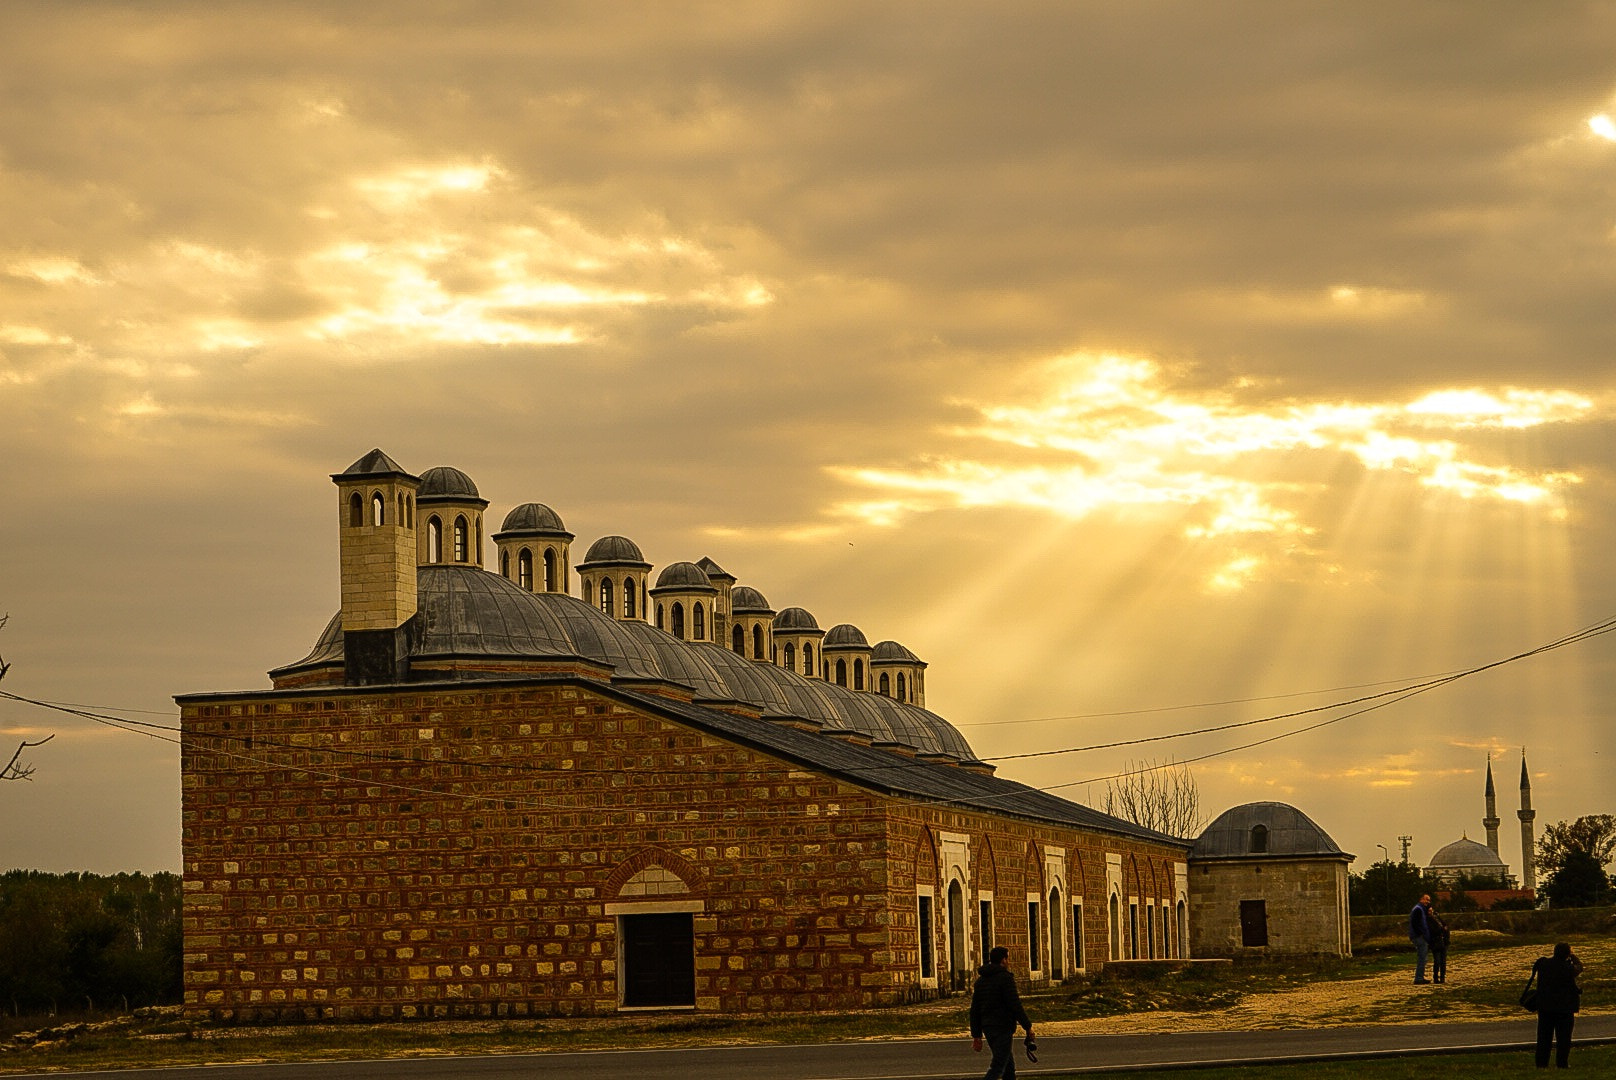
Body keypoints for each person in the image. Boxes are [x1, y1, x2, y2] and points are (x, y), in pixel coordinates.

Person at [970, 945, 1034, 1080]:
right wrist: (1027, 1026)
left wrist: (976, 1035)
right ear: (1003, 960)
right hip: (1002, 1027)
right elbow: (1015, 1004)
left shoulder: (980, 981)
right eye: (1007, 958)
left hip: (988, 1028)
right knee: (998, 1066)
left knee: (1008, 1069)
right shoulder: (1005, 978)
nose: (1008, 962)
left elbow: (975, 1010)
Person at [1531, 942, 1583, 1069]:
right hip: (1564, 1009)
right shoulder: (1567, 968)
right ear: (1567, 954)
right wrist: (1574, 958)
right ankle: (1562, 1063)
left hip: (1545, 1007)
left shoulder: (1543, 964)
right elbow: (1579, 968)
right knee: (1564, 1039)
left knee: (1543, 1038)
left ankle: (1541, 1064)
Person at [1408, 894, 1433, 984]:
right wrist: (1421, 934)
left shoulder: (1420, 909)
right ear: (1421, 899)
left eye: (1429, 900)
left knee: (1423, 957)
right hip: (1419, 937)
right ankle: (1418, 978)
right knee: (1422, 957)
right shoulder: (1418, 909)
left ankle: (1420, 977)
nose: (1428, 902)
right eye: (1426, 899)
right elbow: (1415, 923)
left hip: (1418, 936)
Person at [1428, 905, 1449, 984]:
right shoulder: (1428, 920)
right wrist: (1442, 929)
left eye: (1431, 910)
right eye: (1430, 911)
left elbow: (1445, 925)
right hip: (1436, 942)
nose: (1431, 912)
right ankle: (1436, 977)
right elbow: (1433, 930)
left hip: (1443, 941)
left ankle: (1442, 977)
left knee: (1443, 961)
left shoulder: (1437, 918)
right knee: (1437, 961)